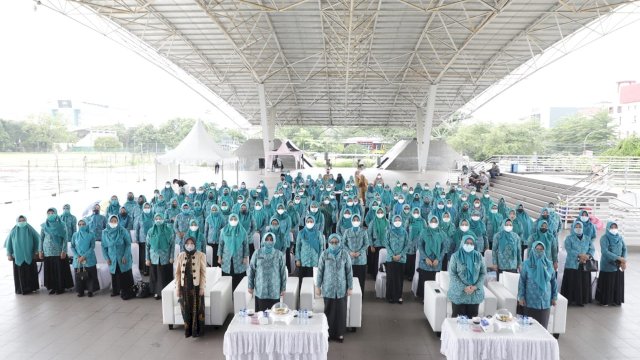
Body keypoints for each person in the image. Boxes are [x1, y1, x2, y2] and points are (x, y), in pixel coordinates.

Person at [316, 234, 353, 343]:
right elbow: (320, 272)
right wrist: (318, 286)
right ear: (328, 242)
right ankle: (328, 333)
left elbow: (349, 271)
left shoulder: (345, 254)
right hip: (328, 288)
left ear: (340, 242)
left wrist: (350, 287)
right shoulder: (324, 254)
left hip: (341, 288)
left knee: (341, 311)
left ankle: (340, 333)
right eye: (332, 242)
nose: (334, 244)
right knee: (329, 311)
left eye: (336, 242)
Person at [518, 241, 558, 329]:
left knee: (543, 329)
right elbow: (522, 281)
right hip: (530, 301)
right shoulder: (526, 264)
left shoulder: (549, 264)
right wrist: (521, 297)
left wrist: (554, 297)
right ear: (533, 250)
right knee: (529, 329)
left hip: (545, 302)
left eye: (541, 249)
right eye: (537, 249)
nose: (539, 251)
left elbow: (553, 282)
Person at [175, 237, 207, 338]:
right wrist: (177, 288)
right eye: (187, 243)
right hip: (184, 287)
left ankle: (197, 331)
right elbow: (177, 274)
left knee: (198, 308)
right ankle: (188, 331)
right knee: (186, 309)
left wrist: (202, 287)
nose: (189, 245)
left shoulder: (201, 255)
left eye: (192, 243)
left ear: (195, 244)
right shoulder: (180, 255)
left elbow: (203, 273)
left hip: (196, 286)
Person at [448, 235, 486, 317]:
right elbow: (452, 274)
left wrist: (475, 287)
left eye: (471, 243)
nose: (469, 245)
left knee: (473, 321)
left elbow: (483, 273)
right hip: (459, 294)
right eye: (467, 243)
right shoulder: (455, 256)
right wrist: (464, 287)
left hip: (474, 294)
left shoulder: (479, 256)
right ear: (462, 243)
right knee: (457, 321)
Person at [248, 232, 288, 312]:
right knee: (261, 315)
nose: (269, 241)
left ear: (274, 241)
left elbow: (283, 272)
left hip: (275, 290)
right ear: (263, 240)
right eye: (267, 239)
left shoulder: (279, 254)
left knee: (274, 315)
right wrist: (250, 286)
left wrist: (283, 288)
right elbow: (251, 269)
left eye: (271, 239)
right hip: (261, 289)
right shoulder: (257, 253)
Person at [561, 221, 595, 306]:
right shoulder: (569, 238)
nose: (578, 228)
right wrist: (580, 255)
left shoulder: (587, 238)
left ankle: (582, 300)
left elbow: (592, 249)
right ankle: (571, 300)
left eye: (580, 226)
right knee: (572, 281)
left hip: (584, 263)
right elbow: (569, 250)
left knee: (583, 282)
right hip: (572, 264)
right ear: (573, 228)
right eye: (576, 226)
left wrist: (587, 256)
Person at [40, 208, 73, 295]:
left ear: (56, 213)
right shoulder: (44, 225)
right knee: (50, 270)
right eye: (49, 213)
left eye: (52, 213)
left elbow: (65, 239)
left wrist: (64, 251)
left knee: (59, 270)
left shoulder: (62, 224)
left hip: (58, 251)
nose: (50, 214)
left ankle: (60, 287)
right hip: (47, 251)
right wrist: (40, 251)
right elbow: (41, 239)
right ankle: (53, 287)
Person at [102, 215, 135, 300]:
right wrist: (107, 258)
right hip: (112, 257)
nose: (113, 223)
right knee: (114, 273)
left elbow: (128, 244)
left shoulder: (123, 230)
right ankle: (116, 290)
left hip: (123, 256)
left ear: (118, 221)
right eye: (111, 221)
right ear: (109, 222)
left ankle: (126, 291)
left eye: (115, 221)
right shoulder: (105, 232)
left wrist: (125, 256)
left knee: (124, 274)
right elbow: (104, 247)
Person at [5, 215, 40, 295]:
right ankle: (21, 289)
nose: (22, 222)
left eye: (23, 220)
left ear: (26, 220)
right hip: (17, 256)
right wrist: (9, 254)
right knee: (20, 273)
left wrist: (36, 252)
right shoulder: (13, 231)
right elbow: (8, 243)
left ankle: (32, 288)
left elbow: (37, 240)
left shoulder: (30, 229)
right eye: (20, 221)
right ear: (17, 221)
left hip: (29, 255)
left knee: (30, 272)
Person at [596, 222, 627, 306]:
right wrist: (618, 258)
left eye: (615, 227)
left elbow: (624, 249)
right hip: (607, 264)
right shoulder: (604, 238)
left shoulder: (620, 237)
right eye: (611, 227)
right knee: (608, 283)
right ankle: (605, 300)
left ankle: (616, 300)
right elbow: (605, 252)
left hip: (619, 264)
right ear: (608, 228)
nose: (614, 229)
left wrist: (623, 260)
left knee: (617, 282)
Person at [416, 215, 446, 301]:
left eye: (435, 221)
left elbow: (444, 248)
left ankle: (433, 298)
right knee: (424, 279)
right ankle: (423, 296)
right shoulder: (424, 232)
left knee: (435, 281)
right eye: (432, 221)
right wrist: (426, 258)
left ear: (438, 222)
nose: (433, 223)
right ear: (429, 222)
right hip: (425, 261)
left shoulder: (442, 233)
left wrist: (438, 259)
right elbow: (420, 246)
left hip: (437, 262)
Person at [146, 214, 176, 300]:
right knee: (155, 275)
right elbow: (147, 246)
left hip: (165, 258)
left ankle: (166, 292)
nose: (158, 220)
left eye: (160, 218)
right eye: (156, 219)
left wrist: (171, 257)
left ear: (163, 219)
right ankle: (156, 292)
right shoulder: (151, 231)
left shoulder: (169, 230)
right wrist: (147, 258)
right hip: (154, 257)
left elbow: (172, 245)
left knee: (164, 275)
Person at [218, 213, 249, 291]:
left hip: (239, 258)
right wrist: (219, 257)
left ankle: (238, 294)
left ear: (238, 220)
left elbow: (246, 245)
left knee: (239, 277)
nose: (233, 221)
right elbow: (221, 245)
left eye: (235, 219)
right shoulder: (224, 231)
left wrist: (245, 257)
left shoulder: (243, 231)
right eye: (231, 219)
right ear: (229, 220)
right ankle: (228, 296)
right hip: (227, 258)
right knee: (227, 277)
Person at [71, 219, 99, 297]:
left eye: (83, 224)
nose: (81, 226)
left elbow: (92, 246)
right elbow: (72, 247)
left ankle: (91, 290)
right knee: (79, 275)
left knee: (90, 275)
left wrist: (84, 256)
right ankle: (80, 291)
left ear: (86, 225)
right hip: (78, 259)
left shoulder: (91, 234)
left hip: (89, 257)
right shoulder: (75, 235)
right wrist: (78, 256)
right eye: (79, 224)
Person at [342, 214, 370, 293]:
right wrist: (349, 252)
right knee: (349, 278)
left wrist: (359, 252)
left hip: (361, 260)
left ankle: (360, 296)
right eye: (354, 220)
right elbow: (343, 244)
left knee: (360, 279)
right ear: (351, 221)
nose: (355, 221)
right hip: (349, 259)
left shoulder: (363, 232)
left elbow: (366, 244)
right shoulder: (347, 231)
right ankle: (350, 295)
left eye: (357, 220)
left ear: (360, 221)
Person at [384, 215, 409, 304]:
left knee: (399, 278)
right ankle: (390, 296)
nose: (397, 221)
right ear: (393, 221)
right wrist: (392, 255)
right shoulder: (389, 231)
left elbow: (407, 245)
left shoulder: (404, 232)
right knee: (390, 277)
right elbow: (386, 244)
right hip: (391, 258)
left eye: (399, 220)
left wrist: (400, 255)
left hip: (401, 259)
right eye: (396, 220)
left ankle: (399, 296)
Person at [295, 216, 326, 281]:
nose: (309, 223)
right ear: (305, 222)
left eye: (311, 221)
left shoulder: (318, 233)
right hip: (304, 260)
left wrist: (320, 259)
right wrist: (298, 259)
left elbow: (321, 247)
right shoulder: (301, 233)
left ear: (314, 222)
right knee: (303, 279)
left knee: (314, 279)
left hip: (315, 260)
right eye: (308, 221)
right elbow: (297, 247)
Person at [135, 202, 154, 276]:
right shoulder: (140, 217)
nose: (147, 209)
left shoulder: (153, 216)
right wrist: (136, 239)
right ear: (143, 208)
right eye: (145, 207)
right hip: (142, 238)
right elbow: (137, 228)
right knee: (143, 255)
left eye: (148, 207)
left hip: (152, 238)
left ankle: (151, 271)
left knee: (151, 254)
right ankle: (144, 270)